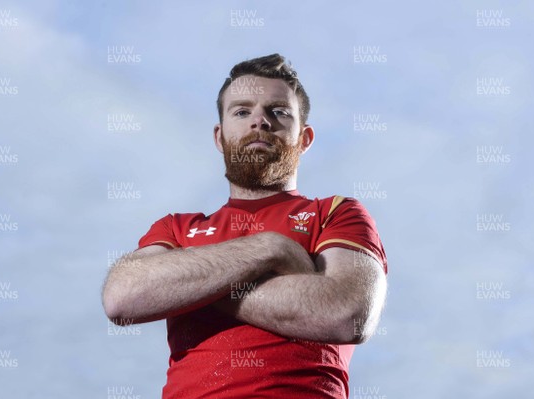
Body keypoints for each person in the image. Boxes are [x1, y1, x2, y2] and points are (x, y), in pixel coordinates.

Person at [102, 53, 388, 398]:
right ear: (219, 137)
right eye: (242, 111)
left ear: (305, 139)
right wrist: (273, 249)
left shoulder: (336, 212)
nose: (260, 122)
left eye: (278, 112)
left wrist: (190, 283)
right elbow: (122, 297)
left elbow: (347, 315)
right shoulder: (176, 228)